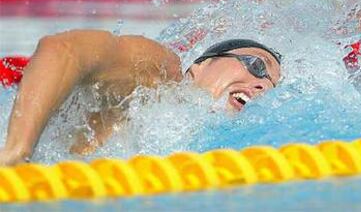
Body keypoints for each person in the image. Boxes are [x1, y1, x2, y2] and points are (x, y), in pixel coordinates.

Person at [0, 30, 282, 166]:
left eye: (269, 86)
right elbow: (62, 49)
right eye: (257, 66)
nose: (261, 85)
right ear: (201, 66)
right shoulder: (159, 74)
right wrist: (17, 152)